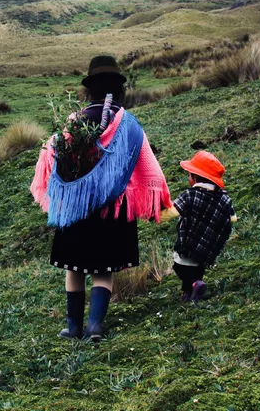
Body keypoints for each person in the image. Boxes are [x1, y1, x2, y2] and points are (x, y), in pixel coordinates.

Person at [31, 55, 172, 341]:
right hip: (113, 211)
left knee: (74, 268)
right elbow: (147, 166)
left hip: (77, 210)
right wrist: (160, 200)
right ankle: (95, 326)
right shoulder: (129, 126)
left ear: (90, 90)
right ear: (117, 89)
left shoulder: (75, 122)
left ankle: (73, 328)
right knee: (102, 271)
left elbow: (51, 155)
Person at [172, 151, 236, 301]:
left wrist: (157, 213)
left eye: (189, 175)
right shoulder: (224, 198)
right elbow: (232, 217)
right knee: (198, 268)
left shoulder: (189, 194)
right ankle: (189, 292)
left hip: (188, 244)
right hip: (208, 247)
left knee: (179, 266)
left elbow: (173, 211)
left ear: (196, 177)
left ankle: (194, 284)